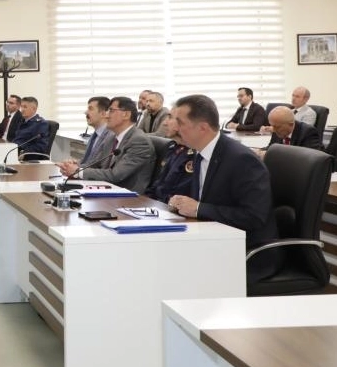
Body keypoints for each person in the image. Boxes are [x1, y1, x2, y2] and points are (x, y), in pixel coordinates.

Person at [168, 94, 280, 283]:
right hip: (214, 241)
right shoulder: (200, 152)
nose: (175, 127)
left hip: (247, 253)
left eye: (180, 122)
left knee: (173, 274)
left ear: (202, 127)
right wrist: (181, 203)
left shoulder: (241, 160)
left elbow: (254, 216)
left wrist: (198, 208)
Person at [57, 96, 155, 193]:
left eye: (111, 111)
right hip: (106, 190)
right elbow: (95, 164)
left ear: (126, 115)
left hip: (129, 196)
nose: (107, 115)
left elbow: (115, 175)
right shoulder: (111, 138)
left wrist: (78, 172)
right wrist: (71, 167)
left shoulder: (139, 141)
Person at [145, 106, 194, 202]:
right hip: (155, 203)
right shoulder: (173, 148)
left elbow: (179, 195)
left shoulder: (193, 155)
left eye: (170, 117)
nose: (164, 123)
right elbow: (158, 184)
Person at [80, 96, 114, 164]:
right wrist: (74, 164)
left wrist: (76, 168)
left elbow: (98, 165)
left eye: (90, 109)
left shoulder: (111, 137)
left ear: (103, 114)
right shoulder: (95, 135)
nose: (86, 112)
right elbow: (87, 160)